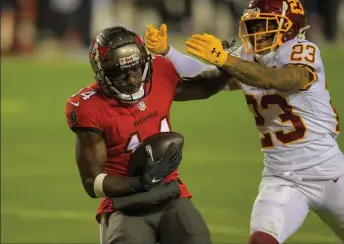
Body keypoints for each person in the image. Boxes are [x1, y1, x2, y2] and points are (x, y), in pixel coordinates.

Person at [144, 0, 344, 244]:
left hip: (328, 172)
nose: (256, 33)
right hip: (281, 176)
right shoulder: (249, 57)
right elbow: (205, 75)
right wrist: (168, 52)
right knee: (261, 240)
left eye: (264, 25)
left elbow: (281, 79)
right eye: (253, 25)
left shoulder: (301, 50)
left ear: (289, 27)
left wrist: (226, 59)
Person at [64, 26, 231, 244]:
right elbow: (91, 182)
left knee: (197, 238)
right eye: (120, 74)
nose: (131, 79)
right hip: (124, 204)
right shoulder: (89, 107)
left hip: (170, 192)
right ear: (101, 74)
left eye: (135, 69)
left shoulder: (160, 73)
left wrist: (227, 63)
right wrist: (140, 182)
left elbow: (203, 88)